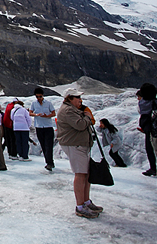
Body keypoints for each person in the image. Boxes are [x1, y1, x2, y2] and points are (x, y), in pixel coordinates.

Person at [56, 88, 103, 219]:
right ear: (69, 98)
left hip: (79, 144)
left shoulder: (72, 109)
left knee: (85, 174)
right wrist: (88, 117)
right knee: (81, 174)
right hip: (74, 144)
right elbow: (80, 125)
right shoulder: (68, 110)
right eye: (77, 97)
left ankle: (86, 202)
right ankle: (80, 206)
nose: (80, 100)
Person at [30, 88, 56, 171]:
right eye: (37, 97)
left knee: (49, 145)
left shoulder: (48, 103)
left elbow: (53, 113)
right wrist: (36, 115)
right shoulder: (34, 104)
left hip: (48, 126)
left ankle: (50, 162)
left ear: (43, 96)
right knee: (43, 145)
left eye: (40, 96)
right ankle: (48, 162)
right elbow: (30, 113)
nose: (39, 98)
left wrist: (47, 116)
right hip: (39, 127)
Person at [137, 85, 157, 177]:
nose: (138, 99)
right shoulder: (153, 103)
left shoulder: (146, 104)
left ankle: (154, 168)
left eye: (139, 97)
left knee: (150, 149)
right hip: (150, 129)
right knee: (153, 150)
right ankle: (155, 168)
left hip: (151, 129)